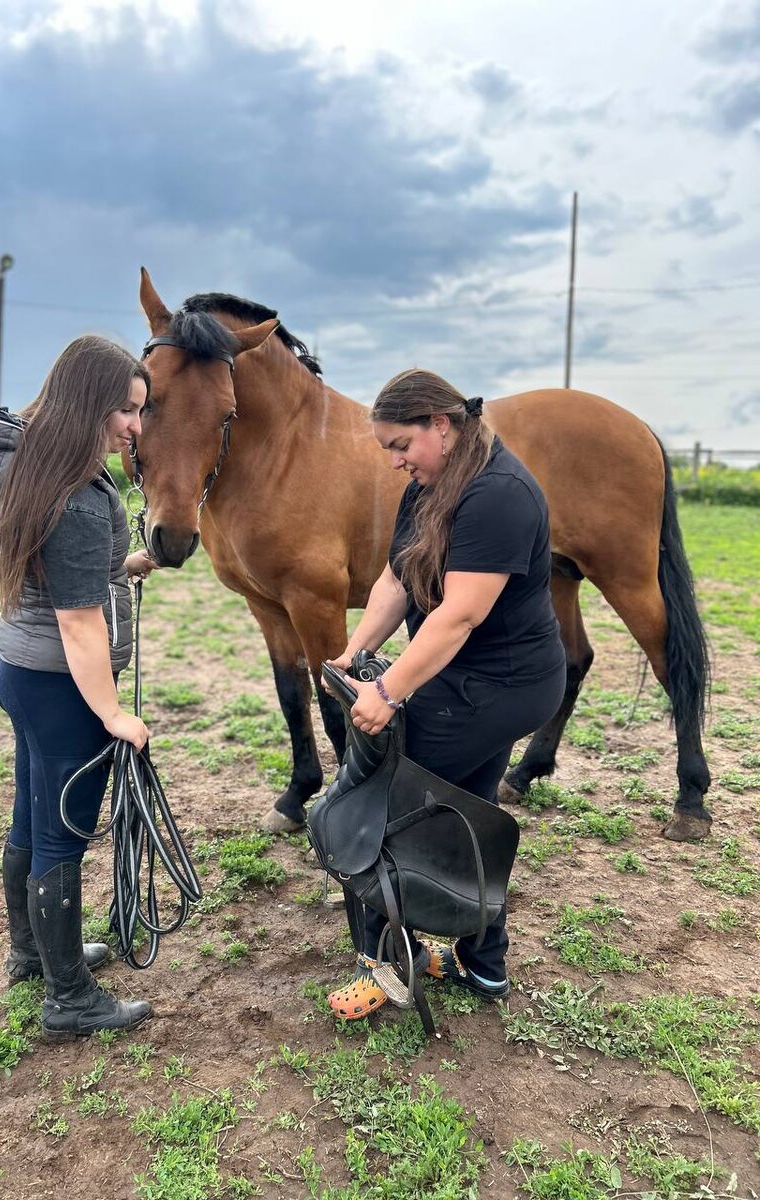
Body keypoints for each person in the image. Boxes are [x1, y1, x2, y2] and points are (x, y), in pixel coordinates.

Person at [324, 368, 566, 1020]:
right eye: (387, 451)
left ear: (441, 423)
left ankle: (382, 964)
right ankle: (482, 966)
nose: (396, 461)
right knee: (469, 811)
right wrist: (356, 651)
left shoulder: (499, 494)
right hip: (467, 676)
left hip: (502, 682)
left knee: (377, 806)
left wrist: (391, 692)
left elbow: (459, 615)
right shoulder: (429, 485)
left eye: (401, 444)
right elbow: (397, 580)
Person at [0, 334, 159, 1041]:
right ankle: (70, 1000)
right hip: (63, 686)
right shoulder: (75, 498)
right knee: (63, 833)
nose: (134, 428)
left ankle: (32, 952)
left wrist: (123, 565)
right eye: (125, 410)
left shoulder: (27, 466)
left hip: (19, 668)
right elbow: (79, 623)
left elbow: (61, 574)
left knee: (29, 815)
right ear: (87, 404)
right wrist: (113, 713)